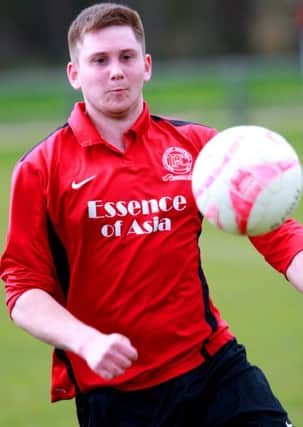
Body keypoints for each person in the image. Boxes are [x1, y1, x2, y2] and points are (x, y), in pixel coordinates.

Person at [1, 3, 303, 426]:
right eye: (99, 60)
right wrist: (86, 342)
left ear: (146, 66)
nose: (116, 71)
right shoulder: (40, 169)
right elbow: (24, 289)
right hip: (114, 393)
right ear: (74, 74)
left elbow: (273, 228)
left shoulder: (199, 147)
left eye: (126, 57)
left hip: (214, 368)